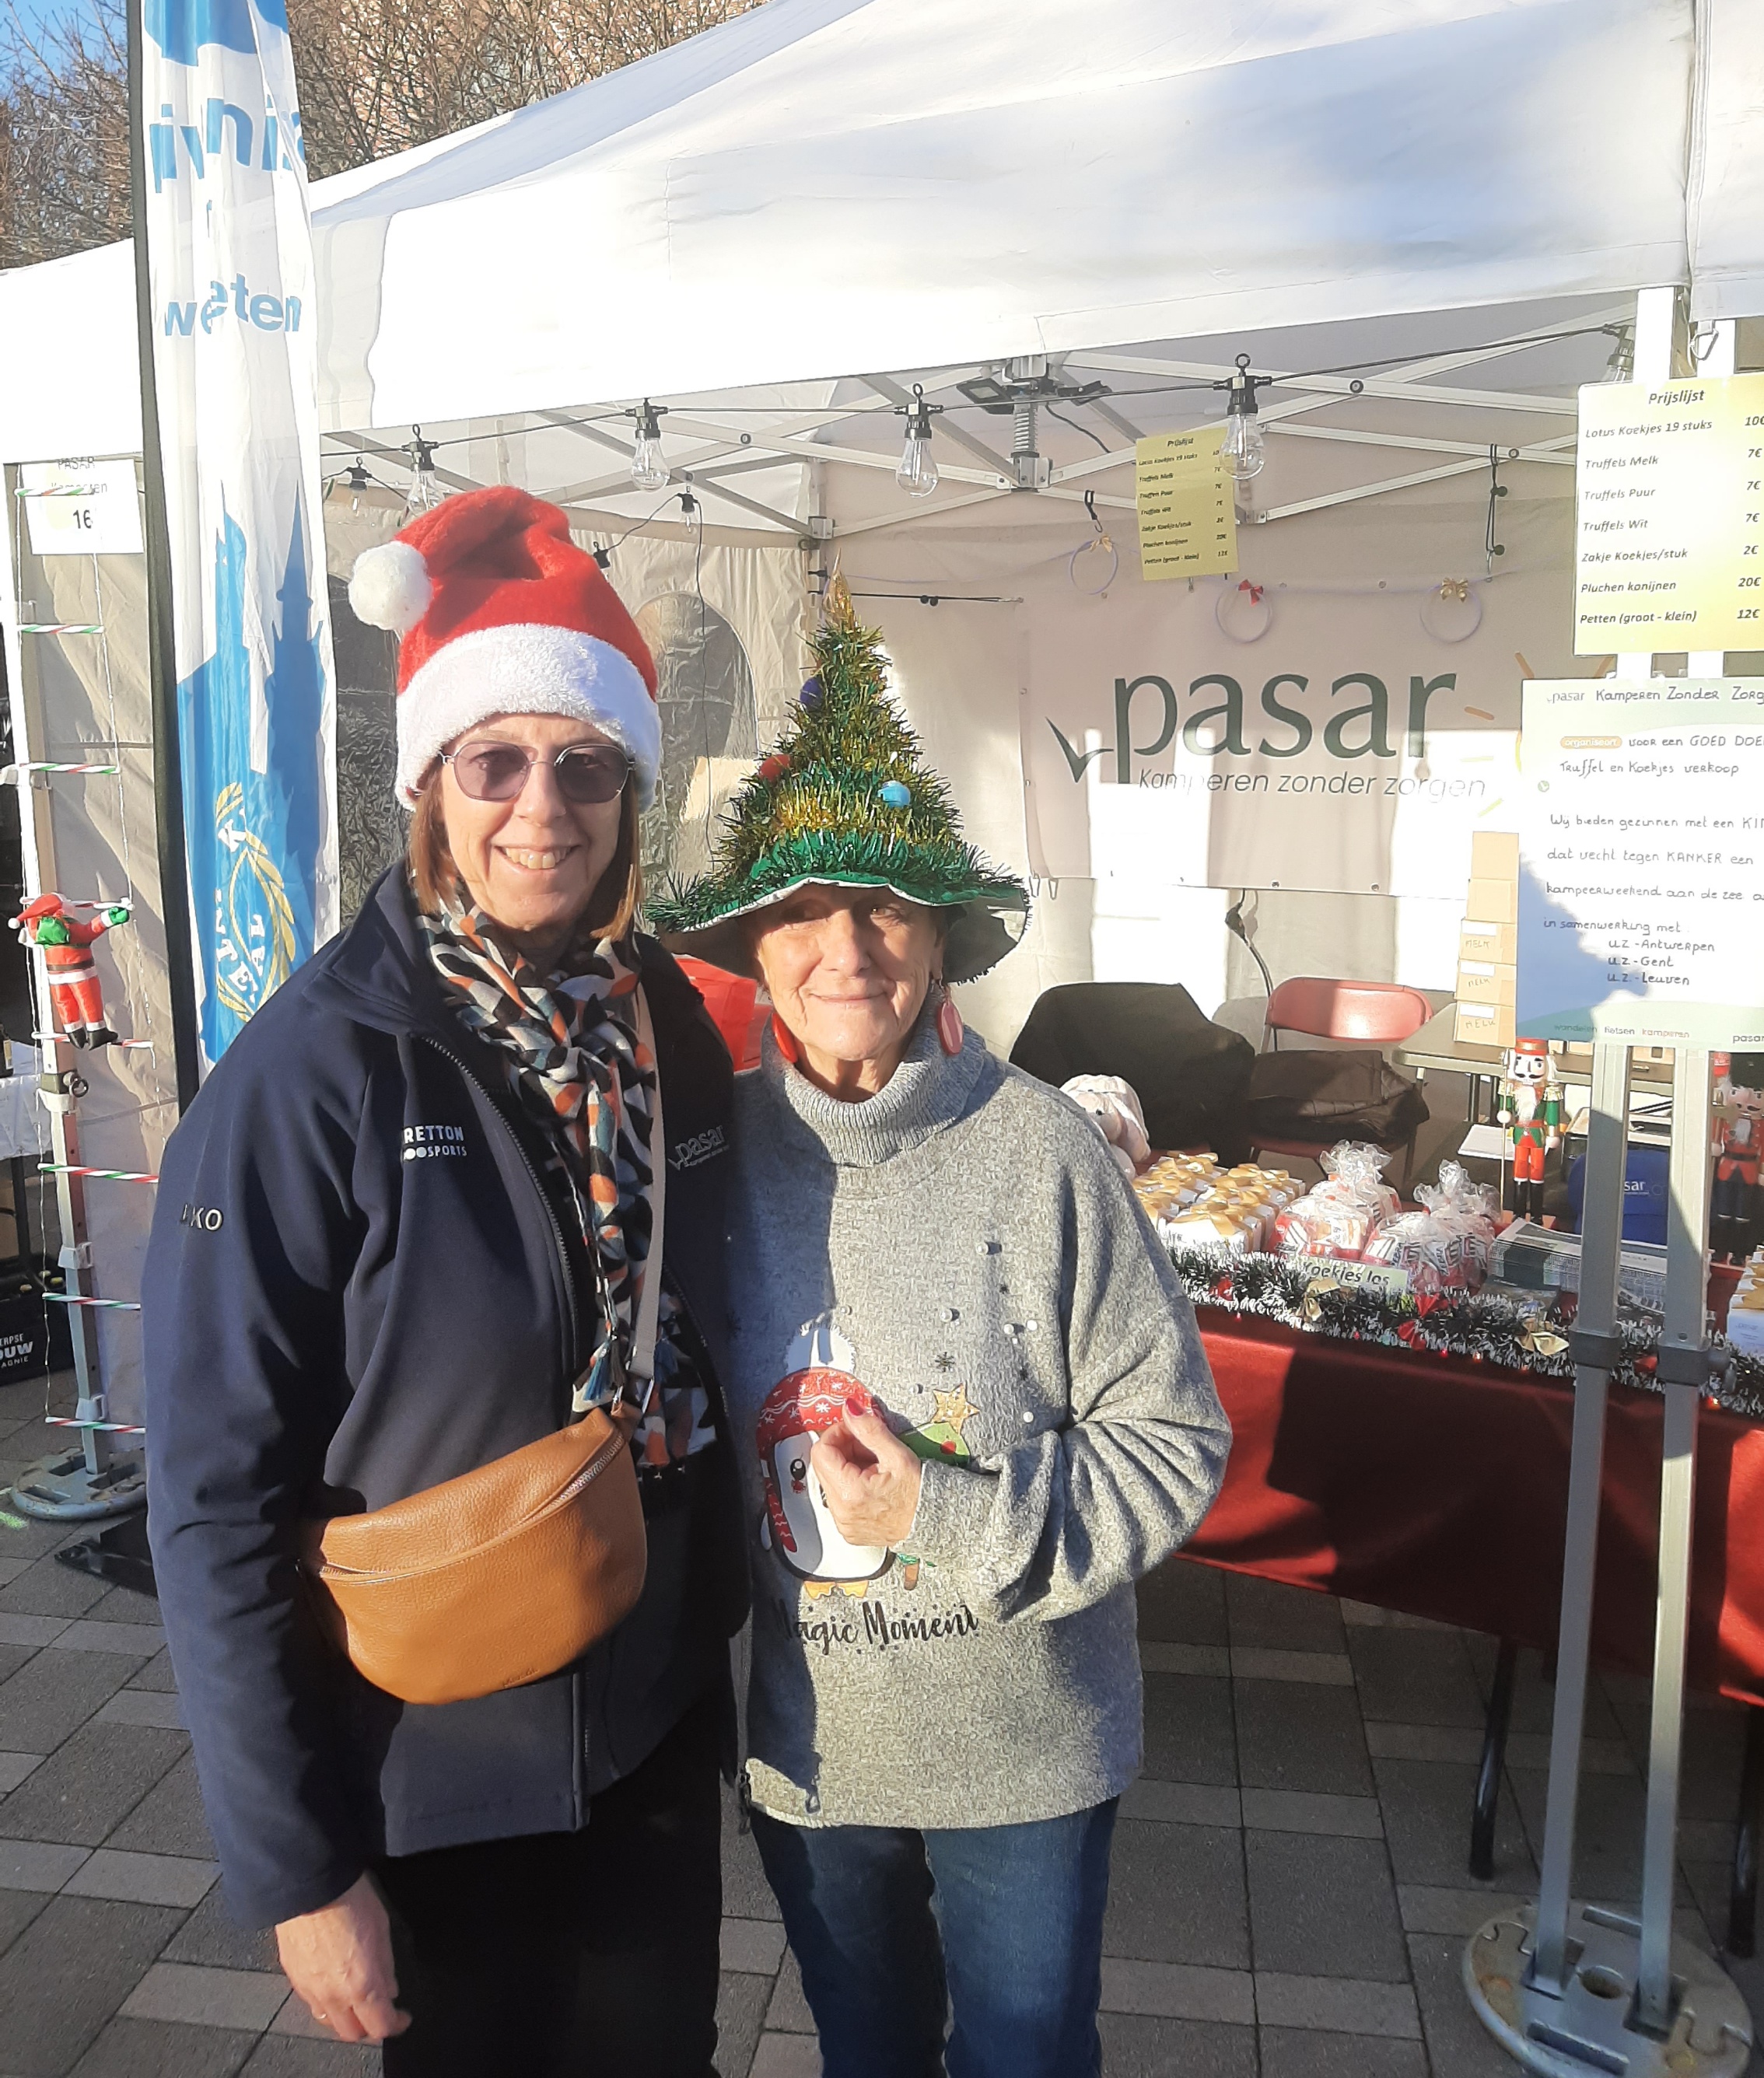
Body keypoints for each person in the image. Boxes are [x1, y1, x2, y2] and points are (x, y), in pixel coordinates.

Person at [143, 489, 747, 2077]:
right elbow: (210, 1498)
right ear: (429, 784)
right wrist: (296, 1868)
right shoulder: (314, 1073)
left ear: (629, 793)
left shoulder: (668, 1025)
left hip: (650, 1722)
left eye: (586, 765)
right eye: (497, 762)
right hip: (435, 1763)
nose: (543, 807)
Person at [652, 581, 1231, 2078]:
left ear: (939, 940)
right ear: (755, 946)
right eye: (804, 911)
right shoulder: (710, 1159)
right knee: (868, 2051)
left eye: (887, 906)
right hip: (817, 1755)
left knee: (1028, 2056)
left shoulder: (1041, 1151)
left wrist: (945, 1514)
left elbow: (1174, 1442)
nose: (847, 947)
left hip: (1029, 1752)